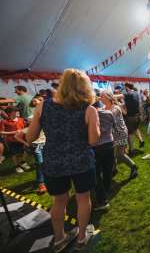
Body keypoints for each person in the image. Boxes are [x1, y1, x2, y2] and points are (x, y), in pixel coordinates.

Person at [26, 68, 100, 252]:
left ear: (62, 84)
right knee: (83, 199)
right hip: (81, 161)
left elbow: (30, 138)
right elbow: (93, 141)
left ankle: (59, 238)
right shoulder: (89, 110)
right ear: (85, 87)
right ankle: (82, 237)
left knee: (59, 202)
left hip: (54, 162)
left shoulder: (43, 106)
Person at [99, 91, 138, 180]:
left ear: (109, 98)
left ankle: (133, 166)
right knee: (112, 153)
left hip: (120, 133)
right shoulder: (103, 108)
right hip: (112, 133)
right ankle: (113, 169)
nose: (100, 98)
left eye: (102, 96)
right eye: (100, 96)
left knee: (120, 154)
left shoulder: (116, 108)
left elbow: (109, 115)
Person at [0, 106, 30, 173]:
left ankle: (23, 162)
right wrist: (14, 132)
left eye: (18, 111)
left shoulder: (21, 119)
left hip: (23, 139)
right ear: (10, 113)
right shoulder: (4, 121)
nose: (18, 112)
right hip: (12, 140)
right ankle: (16, 166)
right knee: (15, 154)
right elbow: (1, 132)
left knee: (26, 151)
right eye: (16, 111)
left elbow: (25, 128)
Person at [115, 82, 143, 154]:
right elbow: (130, 103)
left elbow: (116, 97)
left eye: (125, 87)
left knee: (130, 134)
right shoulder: (137, 93)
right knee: (135, 129)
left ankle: (132, 150)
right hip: (137, 115)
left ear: (127, 87)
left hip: (131, 117)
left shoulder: (128, 94)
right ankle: (140, 141)